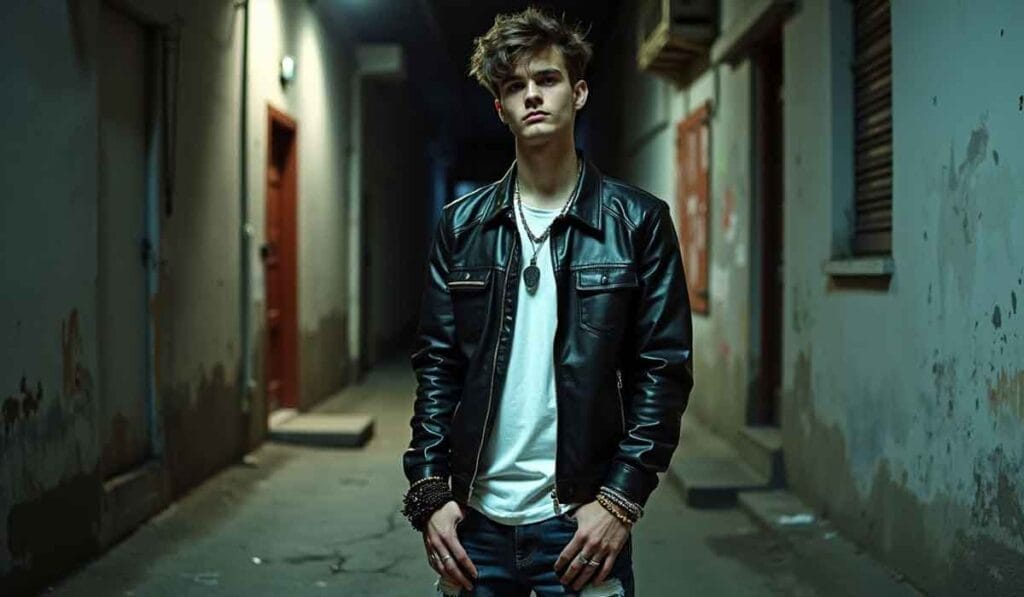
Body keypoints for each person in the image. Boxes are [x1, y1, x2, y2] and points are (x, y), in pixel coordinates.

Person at [402, 7, 693, 596]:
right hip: (475, 525)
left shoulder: (639, 223)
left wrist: (620, 501)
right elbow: (438, 366)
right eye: (514, 86)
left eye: (548, 79)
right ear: (500, 108)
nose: (532, 95)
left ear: (578, 92)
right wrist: (430, 494)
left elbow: (662, 371)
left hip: (580, 524)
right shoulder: (461, 226)